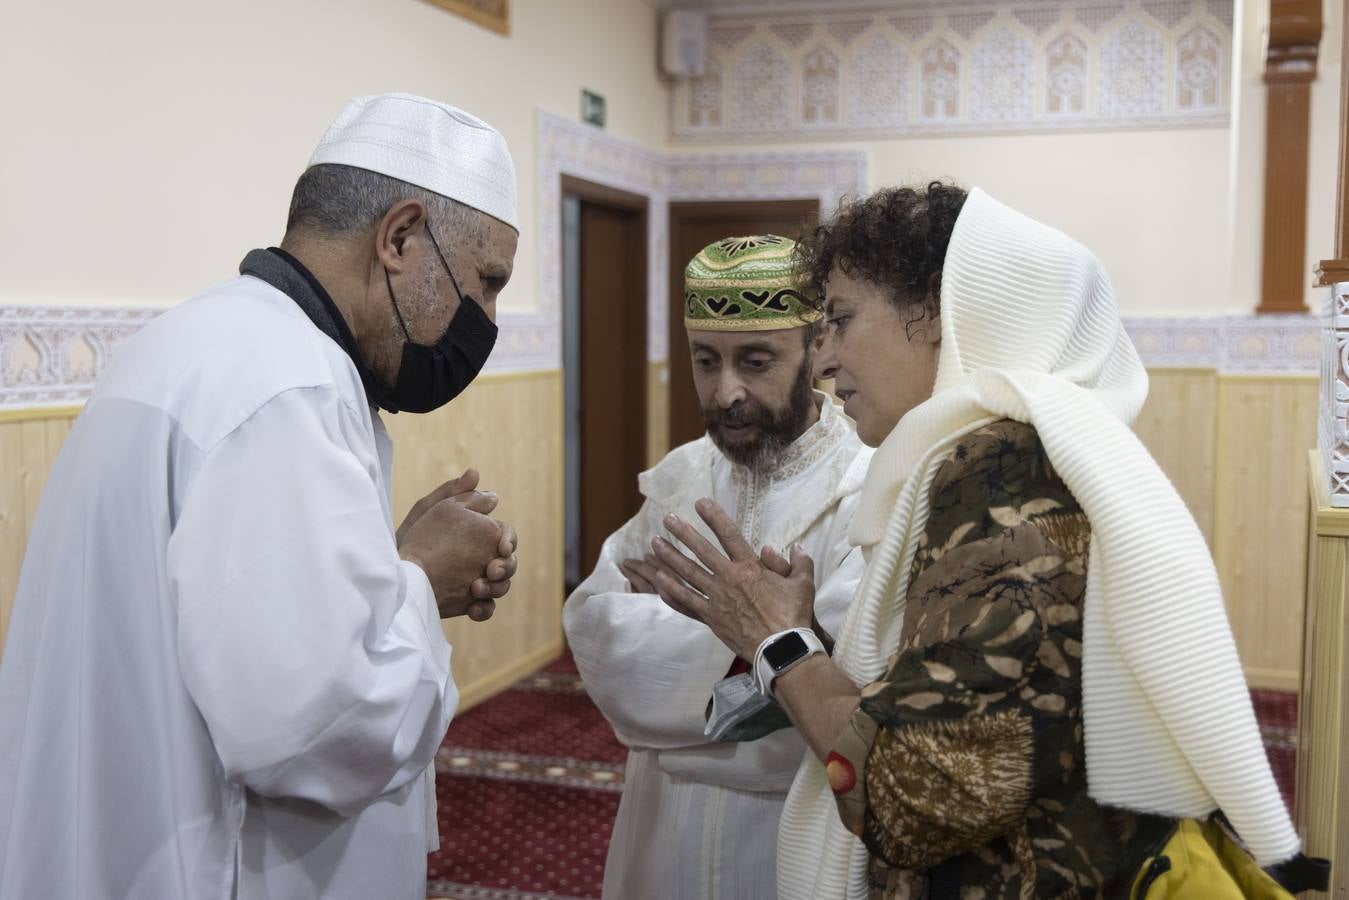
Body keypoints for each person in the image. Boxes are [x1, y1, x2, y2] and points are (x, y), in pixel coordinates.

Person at [644, 184, 1306, 898]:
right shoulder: (1025, 451)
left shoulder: (999, 477)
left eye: (839, 320)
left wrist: (779, 644)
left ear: (938, 311)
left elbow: (911, 802)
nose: (825, 358)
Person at [0, 93, 521, 900]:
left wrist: (387, 567)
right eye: (486, 282)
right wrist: (419, 581)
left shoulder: (202, 340)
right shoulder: (288, 389)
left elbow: (237, 622)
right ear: (400, 237)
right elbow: (319, 730)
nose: (485, 318)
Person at [564, 235, 872, 900]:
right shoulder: (681, 475)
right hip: (660, 827)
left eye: (754, 360)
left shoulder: (868, 485)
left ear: (818, 346)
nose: (725, 391)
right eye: (705, 360)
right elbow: (597, 641)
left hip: (790, 832)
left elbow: (855, 696)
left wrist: (695, 654)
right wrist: (773, 649)